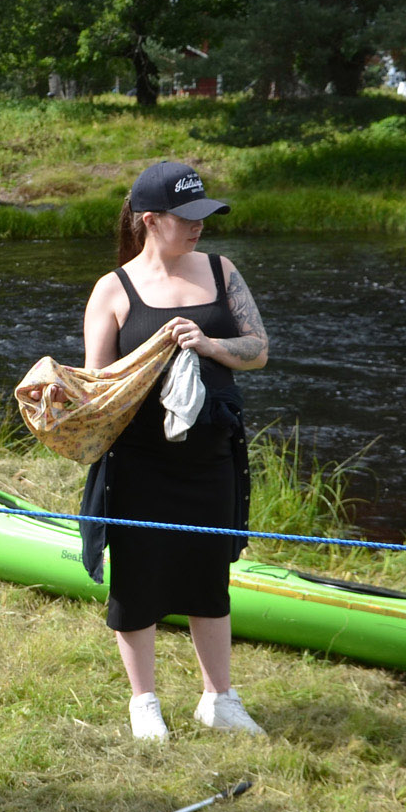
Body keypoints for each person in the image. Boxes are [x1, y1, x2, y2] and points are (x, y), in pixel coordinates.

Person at [79, 161, 270, 740]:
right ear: (149, 220)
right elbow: (96, 385)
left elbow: (259, 348)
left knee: (208, 572)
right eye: (185, 218)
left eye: (203, 216)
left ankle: (219, 698)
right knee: (138, 574)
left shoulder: (221, 270)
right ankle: (146, 704)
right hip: (138, 460)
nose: (198, 228)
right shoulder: (113, 290)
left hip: (211, 454)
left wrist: (209, 344)